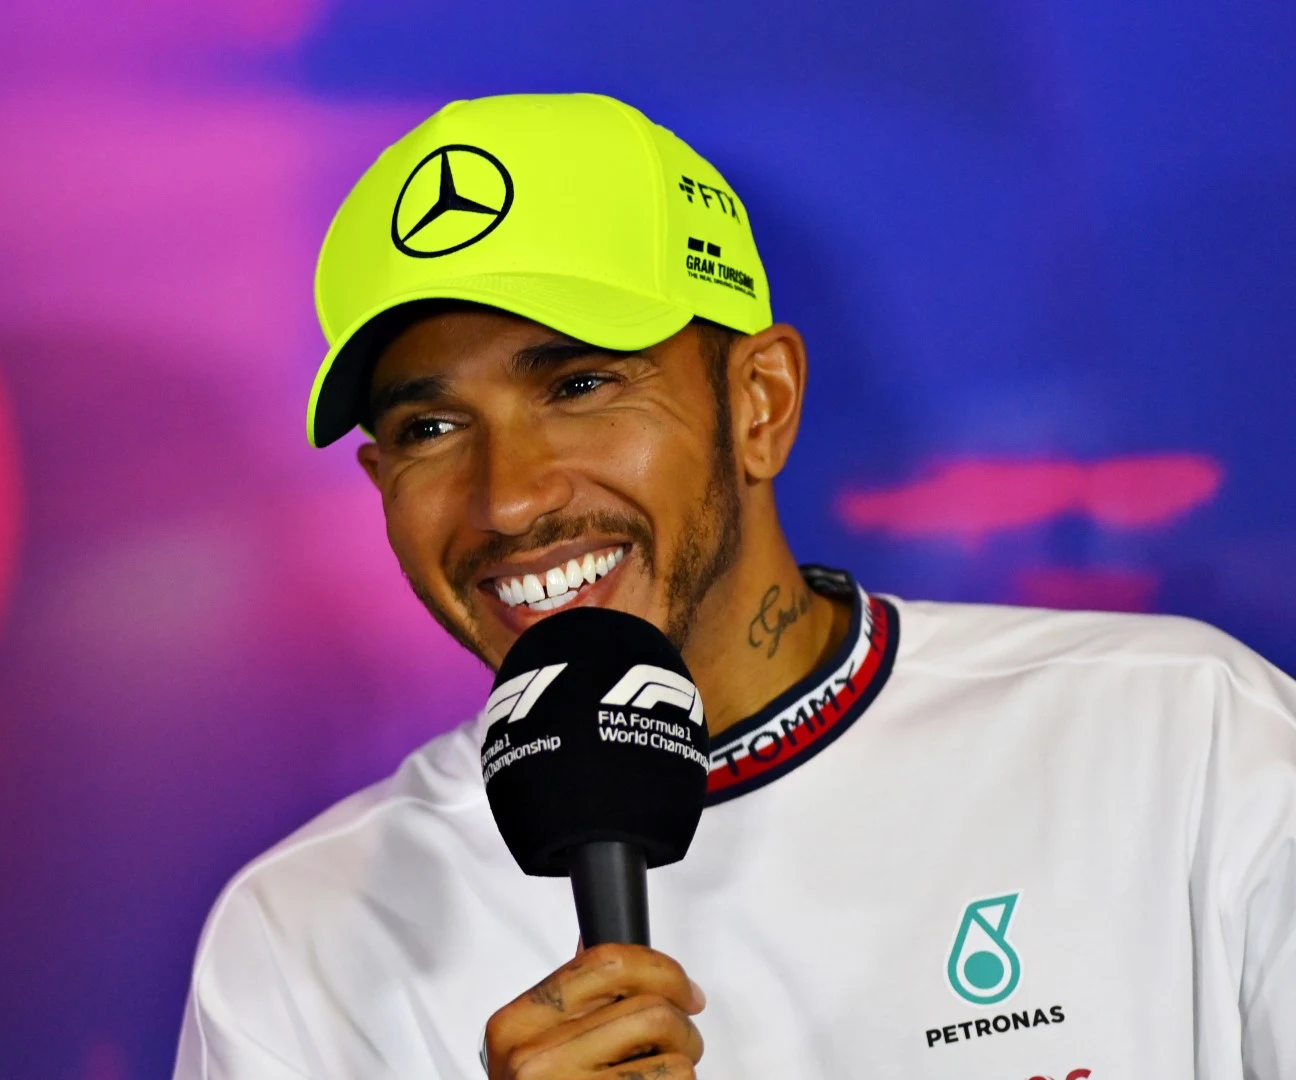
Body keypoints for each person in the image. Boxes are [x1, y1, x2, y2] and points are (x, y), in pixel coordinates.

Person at [173, 93, 1296, 1079]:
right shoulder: (304, 940)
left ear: (759, 403)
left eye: (579, 382)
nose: (506, 499)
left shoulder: (1180, 738)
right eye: (429, 425)